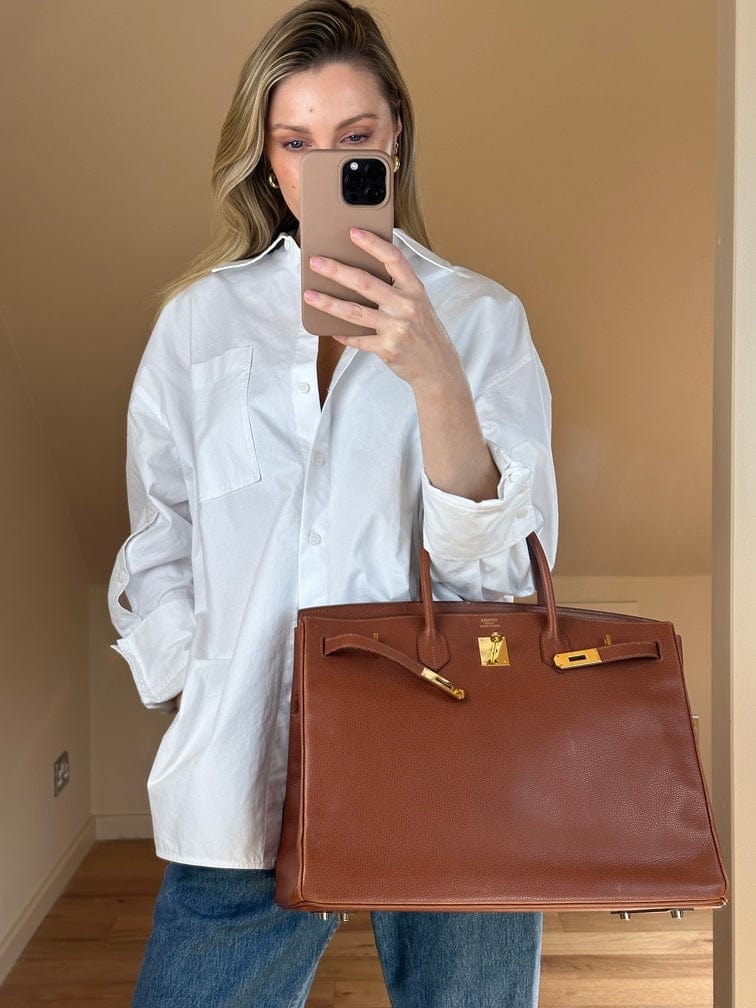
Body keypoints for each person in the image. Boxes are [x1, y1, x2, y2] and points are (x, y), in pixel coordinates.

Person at [108, 1, 558, 1005]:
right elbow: (160, 534)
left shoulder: (480, 319)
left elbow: (504, 584)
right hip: (245, 767)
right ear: (268, 163)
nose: (328, 166)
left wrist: (435, 376)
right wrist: (194, 682)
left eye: (355, 137)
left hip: (453, 769)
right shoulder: (199, 325)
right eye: (297, 142)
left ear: (395, 138)